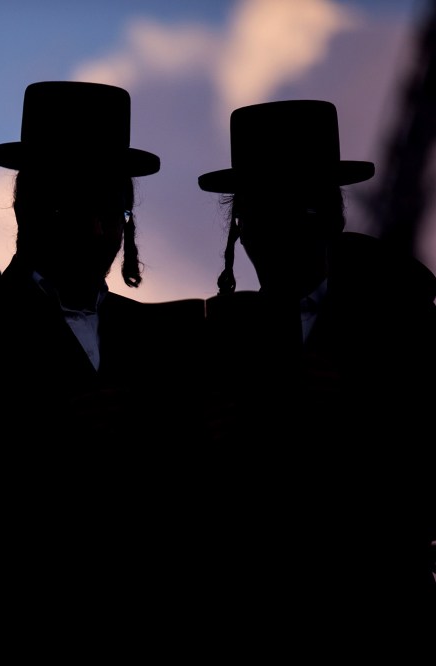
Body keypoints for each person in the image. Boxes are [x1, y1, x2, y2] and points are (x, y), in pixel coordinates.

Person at [199, 99, 436, 659]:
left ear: (329, 216)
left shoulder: (405, 325)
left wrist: (363, 408)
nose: (270, 233)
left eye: (294, 210)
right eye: (255, 214)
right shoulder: (213, 339)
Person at [0, 81, 208, 658]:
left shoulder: (166, 341)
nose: (96, 232)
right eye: (71, 208)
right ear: (26, 207)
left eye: (111, 212)